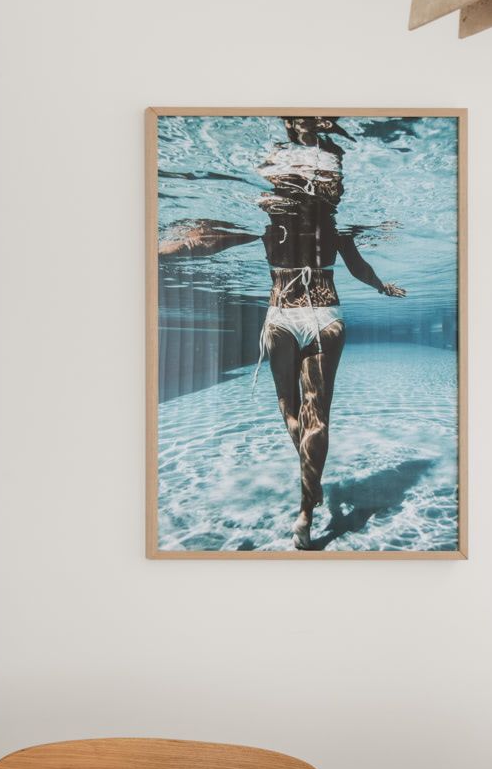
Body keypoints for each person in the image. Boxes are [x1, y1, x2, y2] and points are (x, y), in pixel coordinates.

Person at [159, 117, 405, 549]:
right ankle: (306, 509)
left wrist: (161, 250)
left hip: (282, 316)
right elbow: (357, 264)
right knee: (317, 417)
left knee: (290, 412)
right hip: (326, 314)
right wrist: (380, 285)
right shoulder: (331, 223)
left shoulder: (269, 220)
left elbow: (204, 241)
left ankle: (311, 491)